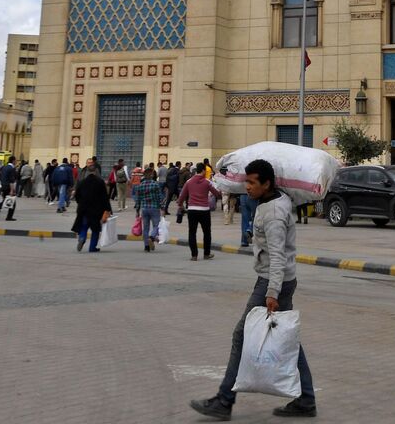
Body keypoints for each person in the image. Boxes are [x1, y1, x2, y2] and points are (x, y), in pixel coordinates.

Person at [190, 159, 317, 420]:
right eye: (246, 181)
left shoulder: (273, 213)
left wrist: (272, 292)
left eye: (251, 182)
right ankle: (306, 399)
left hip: (273, 281)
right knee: (288, 339)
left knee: (241, 335)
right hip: (279, 280)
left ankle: (224, 400)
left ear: (266, 184)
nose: (246, 187)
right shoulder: (276, 199)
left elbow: (278, 256)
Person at [178, 163, 222, 261]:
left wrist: (180, 206)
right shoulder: (207, 182)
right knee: (207, 232)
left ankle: (194, 255)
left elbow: (182, 196)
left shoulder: (189, 182)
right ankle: (206, 254)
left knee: (192, 232)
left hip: (192, 210)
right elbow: (217, 194)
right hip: (204, 211)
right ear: (203, 171)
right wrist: (221, 191)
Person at [72, 165, 112, 252]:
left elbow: (77, 195)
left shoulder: (82, 182)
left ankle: (82, 238)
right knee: (95, 230)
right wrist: (108, 209)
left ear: (87, 172)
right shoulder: (100, 182)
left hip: (84, 209)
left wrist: (80, 203)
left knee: (84, 226)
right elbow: (105, 197)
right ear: (96, 172)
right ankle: (92, 248)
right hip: (96, 211)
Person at [133, 167, 164, 252]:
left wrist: (137, 211)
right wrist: (162, 208)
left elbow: (138, 200)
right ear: (151, 175)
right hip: (154, 208)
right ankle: (152, 237)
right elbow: (159, 197)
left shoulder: (140, 185)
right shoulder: (155, 184)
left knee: (145, 228)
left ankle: (146, 246)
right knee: (156, 226)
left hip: (145, 209)